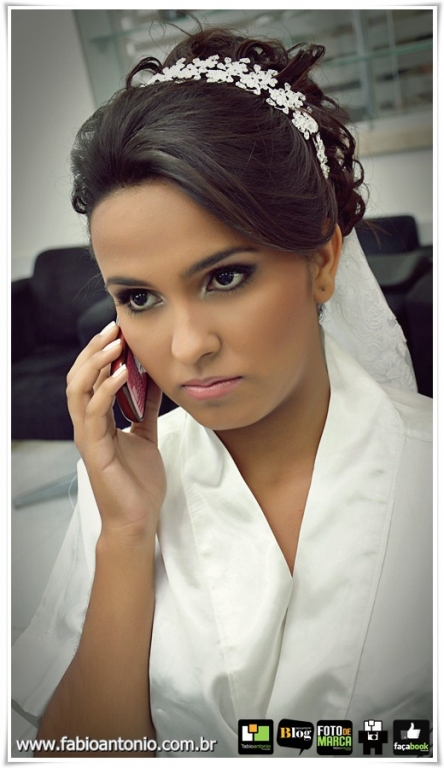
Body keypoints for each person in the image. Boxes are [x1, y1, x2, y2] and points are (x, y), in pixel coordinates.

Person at [11, 27, 432, 758]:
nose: (186, 347)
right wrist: (126, 535)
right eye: (139, 298)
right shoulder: (121, 491)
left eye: (225, 277)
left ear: (322, 261)